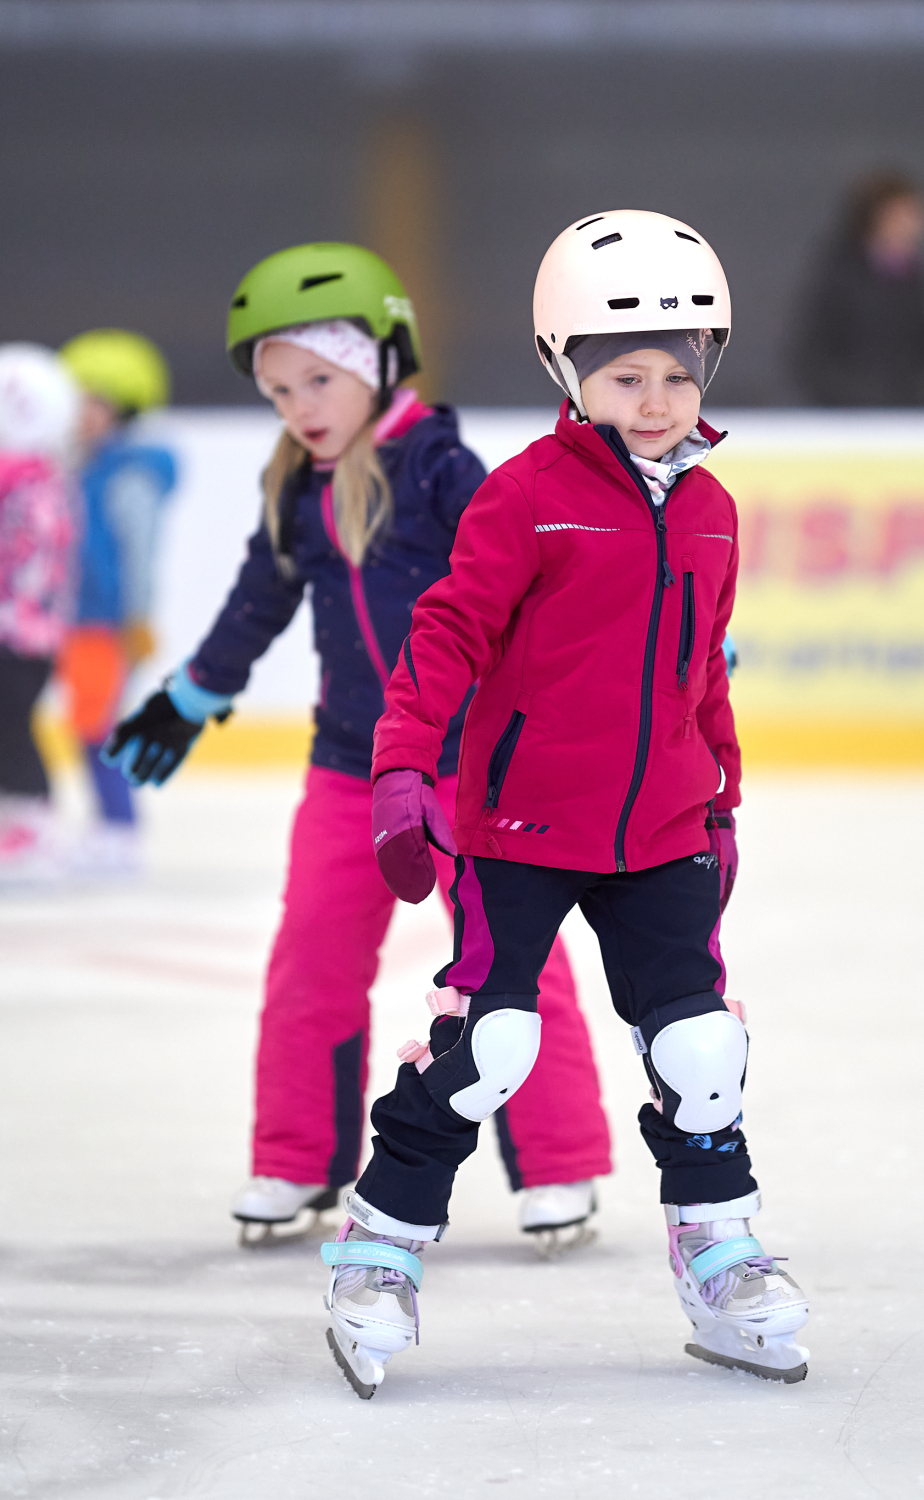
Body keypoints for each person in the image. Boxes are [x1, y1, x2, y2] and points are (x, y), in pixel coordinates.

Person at [321, 210, 810, 1400]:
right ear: (567, 370)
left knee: (701, 1050)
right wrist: (403, 769)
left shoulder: (711, 509)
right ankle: (380, 1243)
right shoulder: (526, 497)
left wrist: (721, 802)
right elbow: (445, 634)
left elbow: (701, 675)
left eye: (676, 376)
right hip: (520, 830)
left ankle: (718, 1250)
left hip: (662, 835)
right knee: (492, 1046)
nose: (656, 401)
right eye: (625, 377)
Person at [102, 243, 612, 1250]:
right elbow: (257, 602)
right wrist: (194, 693)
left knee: (513, 967)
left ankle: (561, 1165)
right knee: (311, 958)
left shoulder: (441, 470)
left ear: (380, 361)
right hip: (350, 766)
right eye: (278, 391)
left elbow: (538, 579)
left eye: (318, 380)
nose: (299, 407)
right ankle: (296, 1161)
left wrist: (639, 634)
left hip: (472, 772)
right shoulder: (299, 486)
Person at [57, 330, 177, 874]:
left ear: (123, 408)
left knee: (97, 724)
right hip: (76, 616)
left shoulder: (130, 472)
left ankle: (119, 829)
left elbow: (139, 550)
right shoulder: (86, 463)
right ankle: (109, 825)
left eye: (94, 401)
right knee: (88, 721)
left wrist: (138, 617)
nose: (80, 413)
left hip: (106, 620)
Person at [0, 344, 80, 882]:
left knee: (13, 724)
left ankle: (35, 829)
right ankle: (22, 823)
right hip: (24, 630)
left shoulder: (34, 484)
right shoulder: (31, 480)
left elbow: (31, 562)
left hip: (23, 634)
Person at [792, 170, 924, 405]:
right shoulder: (838, 274)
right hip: (847, 413)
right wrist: (856, 398)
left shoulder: (917, 279)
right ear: (877, 216)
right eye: (902, 214)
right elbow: (810, 357)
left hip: (907, 412)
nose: (913, 224)